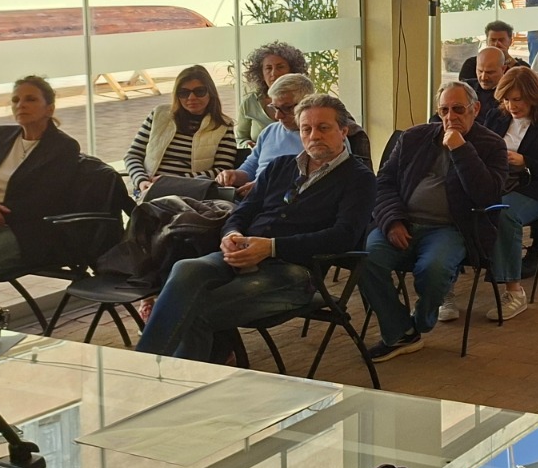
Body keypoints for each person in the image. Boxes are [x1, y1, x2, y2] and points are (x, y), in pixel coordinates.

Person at [136, 94, 375, 362]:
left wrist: (271, 248)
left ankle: (179, 378)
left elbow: (343, 237)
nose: (313, 135)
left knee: (197, 311)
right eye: (306, 129)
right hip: (243, 254)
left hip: (295, 274)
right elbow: (244, 210)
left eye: (323, 127)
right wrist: (231, 234)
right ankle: (144, 367)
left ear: (343, 131)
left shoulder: (359, 178)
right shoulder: (280, 166)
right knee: (186, 269)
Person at [358, 81, 507, 361]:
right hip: (403, 222)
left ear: (475, 109)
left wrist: (461, 150)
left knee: (434, 269)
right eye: (444, 110)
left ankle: (422, 319)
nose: (451, 117)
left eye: (458, 109)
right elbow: (384, 182)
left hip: (450, 229)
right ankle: (400, 331)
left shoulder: (492, 145)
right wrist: (392, 220)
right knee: (365, 258)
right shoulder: (414, 137)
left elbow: (487, 195)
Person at [474, 67, 538, 322]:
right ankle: (447, 290)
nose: (511, 106)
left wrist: (525, 161)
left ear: (533, 97)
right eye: (506, 100)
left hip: (536, 189)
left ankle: (514, 291)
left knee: (504, 213)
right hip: (498, 184)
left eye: (517, 99)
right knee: (458, 204)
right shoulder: (496, 117)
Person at [0, 76, 82, 287]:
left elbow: (45, 199)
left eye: (30, 99)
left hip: (29, 230)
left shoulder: (63, 147)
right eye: (15, 100)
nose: (21, 105)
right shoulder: (0, 135)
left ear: (49, 109)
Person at [124, 66, 237, 197]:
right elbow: (133, 155)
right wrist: (141, 180)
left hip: (190, 193)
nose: (191, 97)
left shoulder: (223, 126)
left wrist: (172, 182)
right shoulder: (159, 115)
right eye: (183, 93)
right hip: (148, 189)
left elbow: (222, 172)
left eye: (199, 91)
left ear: (210, 92)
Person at [215, 73, 316, 194]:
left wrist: (263, 188)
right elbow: (250, 168)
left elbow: (311, 181)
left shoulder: (316, 138)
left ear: (307, 103)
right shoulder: (270, 131)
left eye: (287, 108)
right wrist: (232, 175)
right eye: (275, 108)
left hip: (283, 199)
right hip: (253, 197)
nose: (278, 116)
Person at [236, 41, 307, 149]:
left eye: (280, 67)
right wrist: (248, 145)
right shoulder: (249, 103)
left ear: (292, 70)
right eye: (268, 68)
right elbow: (240, 138)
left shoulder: (305, 99)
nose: (274, 73)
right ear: (261, 73)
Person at [467, 46, 508, 124]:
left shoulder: (510, 94)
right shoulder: (466, 89)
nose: (483, 77)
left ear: (503, 69)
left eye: (490, 72)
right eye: (480, 71)